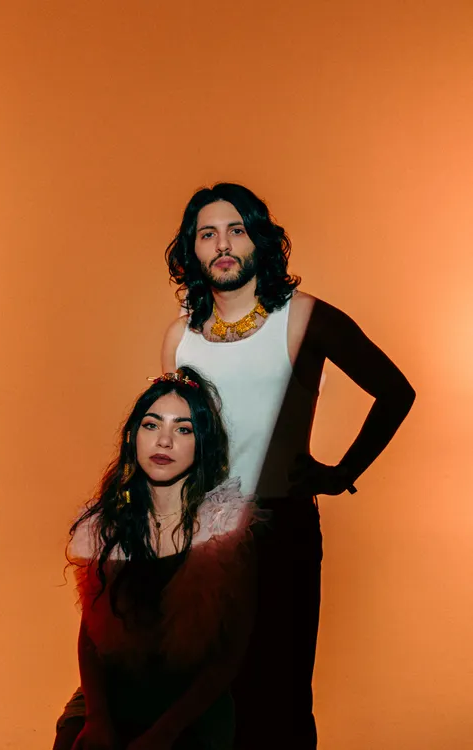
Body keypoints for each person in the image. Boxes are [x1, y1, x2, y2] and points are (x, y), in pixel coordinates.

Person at [160, 182, 416, 748]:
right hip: (195, 533)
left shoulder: (303, 317)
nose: (222, 244)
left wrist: (342, 473)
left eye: (236, 229)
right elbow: (170, 443)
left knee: (280, 702)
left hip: (281, 531)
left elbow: (396, 392)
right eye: (207, 234)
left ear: (259, 239)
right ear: (191, 250)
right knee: (200, 701)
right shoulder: (180, 338)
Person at [53, 367, 259, 750]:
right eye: (151, 425)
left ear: (203, 443)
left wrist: (164, 733)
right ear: (133, 436)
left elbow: (229, 656)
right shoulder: (106, 522)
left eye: (183, 429)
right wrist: (97, 718)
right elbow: (91, 635)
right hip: (114, 695)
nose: (164, 440)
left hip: (190, 707)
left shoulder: (229, 530)